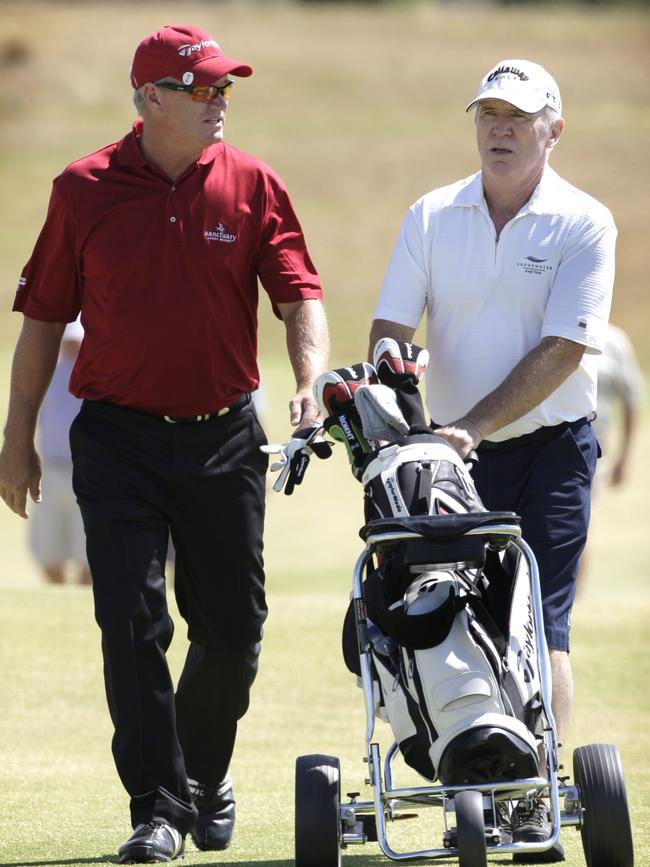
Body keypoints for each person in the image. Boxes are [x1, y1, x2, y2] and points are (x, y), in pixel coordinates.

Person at [0, 24, 328, 864]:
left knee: (234, 627)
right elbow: (41, 319)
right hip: (118, 438)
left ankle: (200, 772)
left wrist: (307, 378)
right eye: (203, 89)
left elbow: (299, 297)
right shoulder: (83, 189)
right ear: (151, 98)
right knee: (132, 622)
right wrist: (18, 438)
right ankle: (155, 805)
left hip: (224, 437)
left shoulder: (254, 183)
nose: (220, 102)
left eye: (225, 89)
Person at [369, 59, 616, 862]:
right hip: (447, 457)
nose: (500, 129)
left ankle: (532, 794)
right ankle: (467, 775)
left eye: (518, 116)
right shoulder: (433, 214)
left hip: (550, 448)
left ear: (554, 128)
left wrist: (471, 423)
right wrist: (388, 396)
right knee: (443, 613)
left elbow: (566, 349)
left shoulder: (584, 221)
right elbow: (390, 330)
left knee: (539, 621)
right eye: (488, 115)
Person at [28, 318, 91, 585]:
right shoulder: (45, 372)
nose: (72, 347)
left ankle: (84, 608)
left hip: (86, 472)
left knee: (89, 556)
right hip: (50, 471)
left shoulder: (95, 373)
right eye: (69, 341)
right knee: (49, 556)